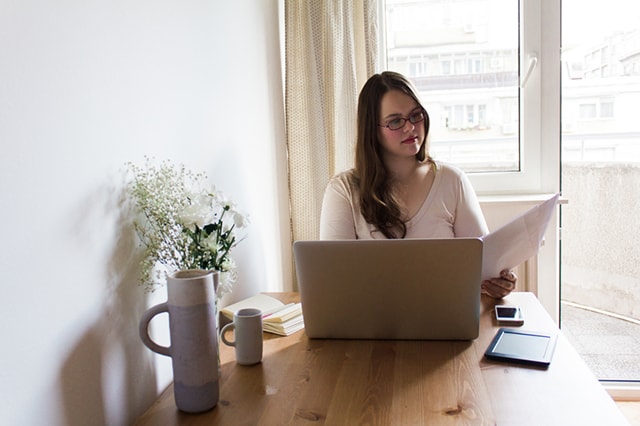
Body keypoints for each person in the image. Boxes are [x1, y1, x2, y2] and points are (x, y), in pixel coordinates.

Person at [319, 71, 516, 299]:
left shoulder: (453, 181)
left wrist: (499, 283)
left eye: (416, 115)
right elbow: (334, 282)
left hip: (446, 317)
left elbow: (484, 268)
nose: (410, 127)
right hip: (373, 324)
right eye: (395, 121)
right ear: (372, 130)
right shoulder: (342, 191)